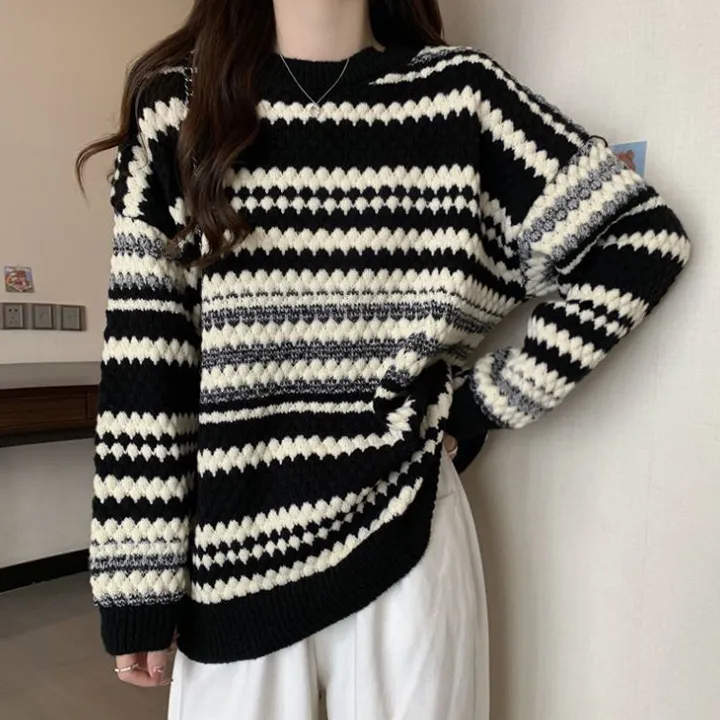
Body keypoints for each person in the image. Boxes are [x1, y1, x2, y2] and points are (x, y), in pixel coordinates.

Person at [77, 1, 690, 718]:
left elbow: (638, 241)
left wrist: (479, 403)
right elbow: (147, 364)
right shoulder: (181, 108)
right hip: (233, 555)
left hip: (406, 532)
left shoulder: (462, 97)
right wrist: (137, 582)